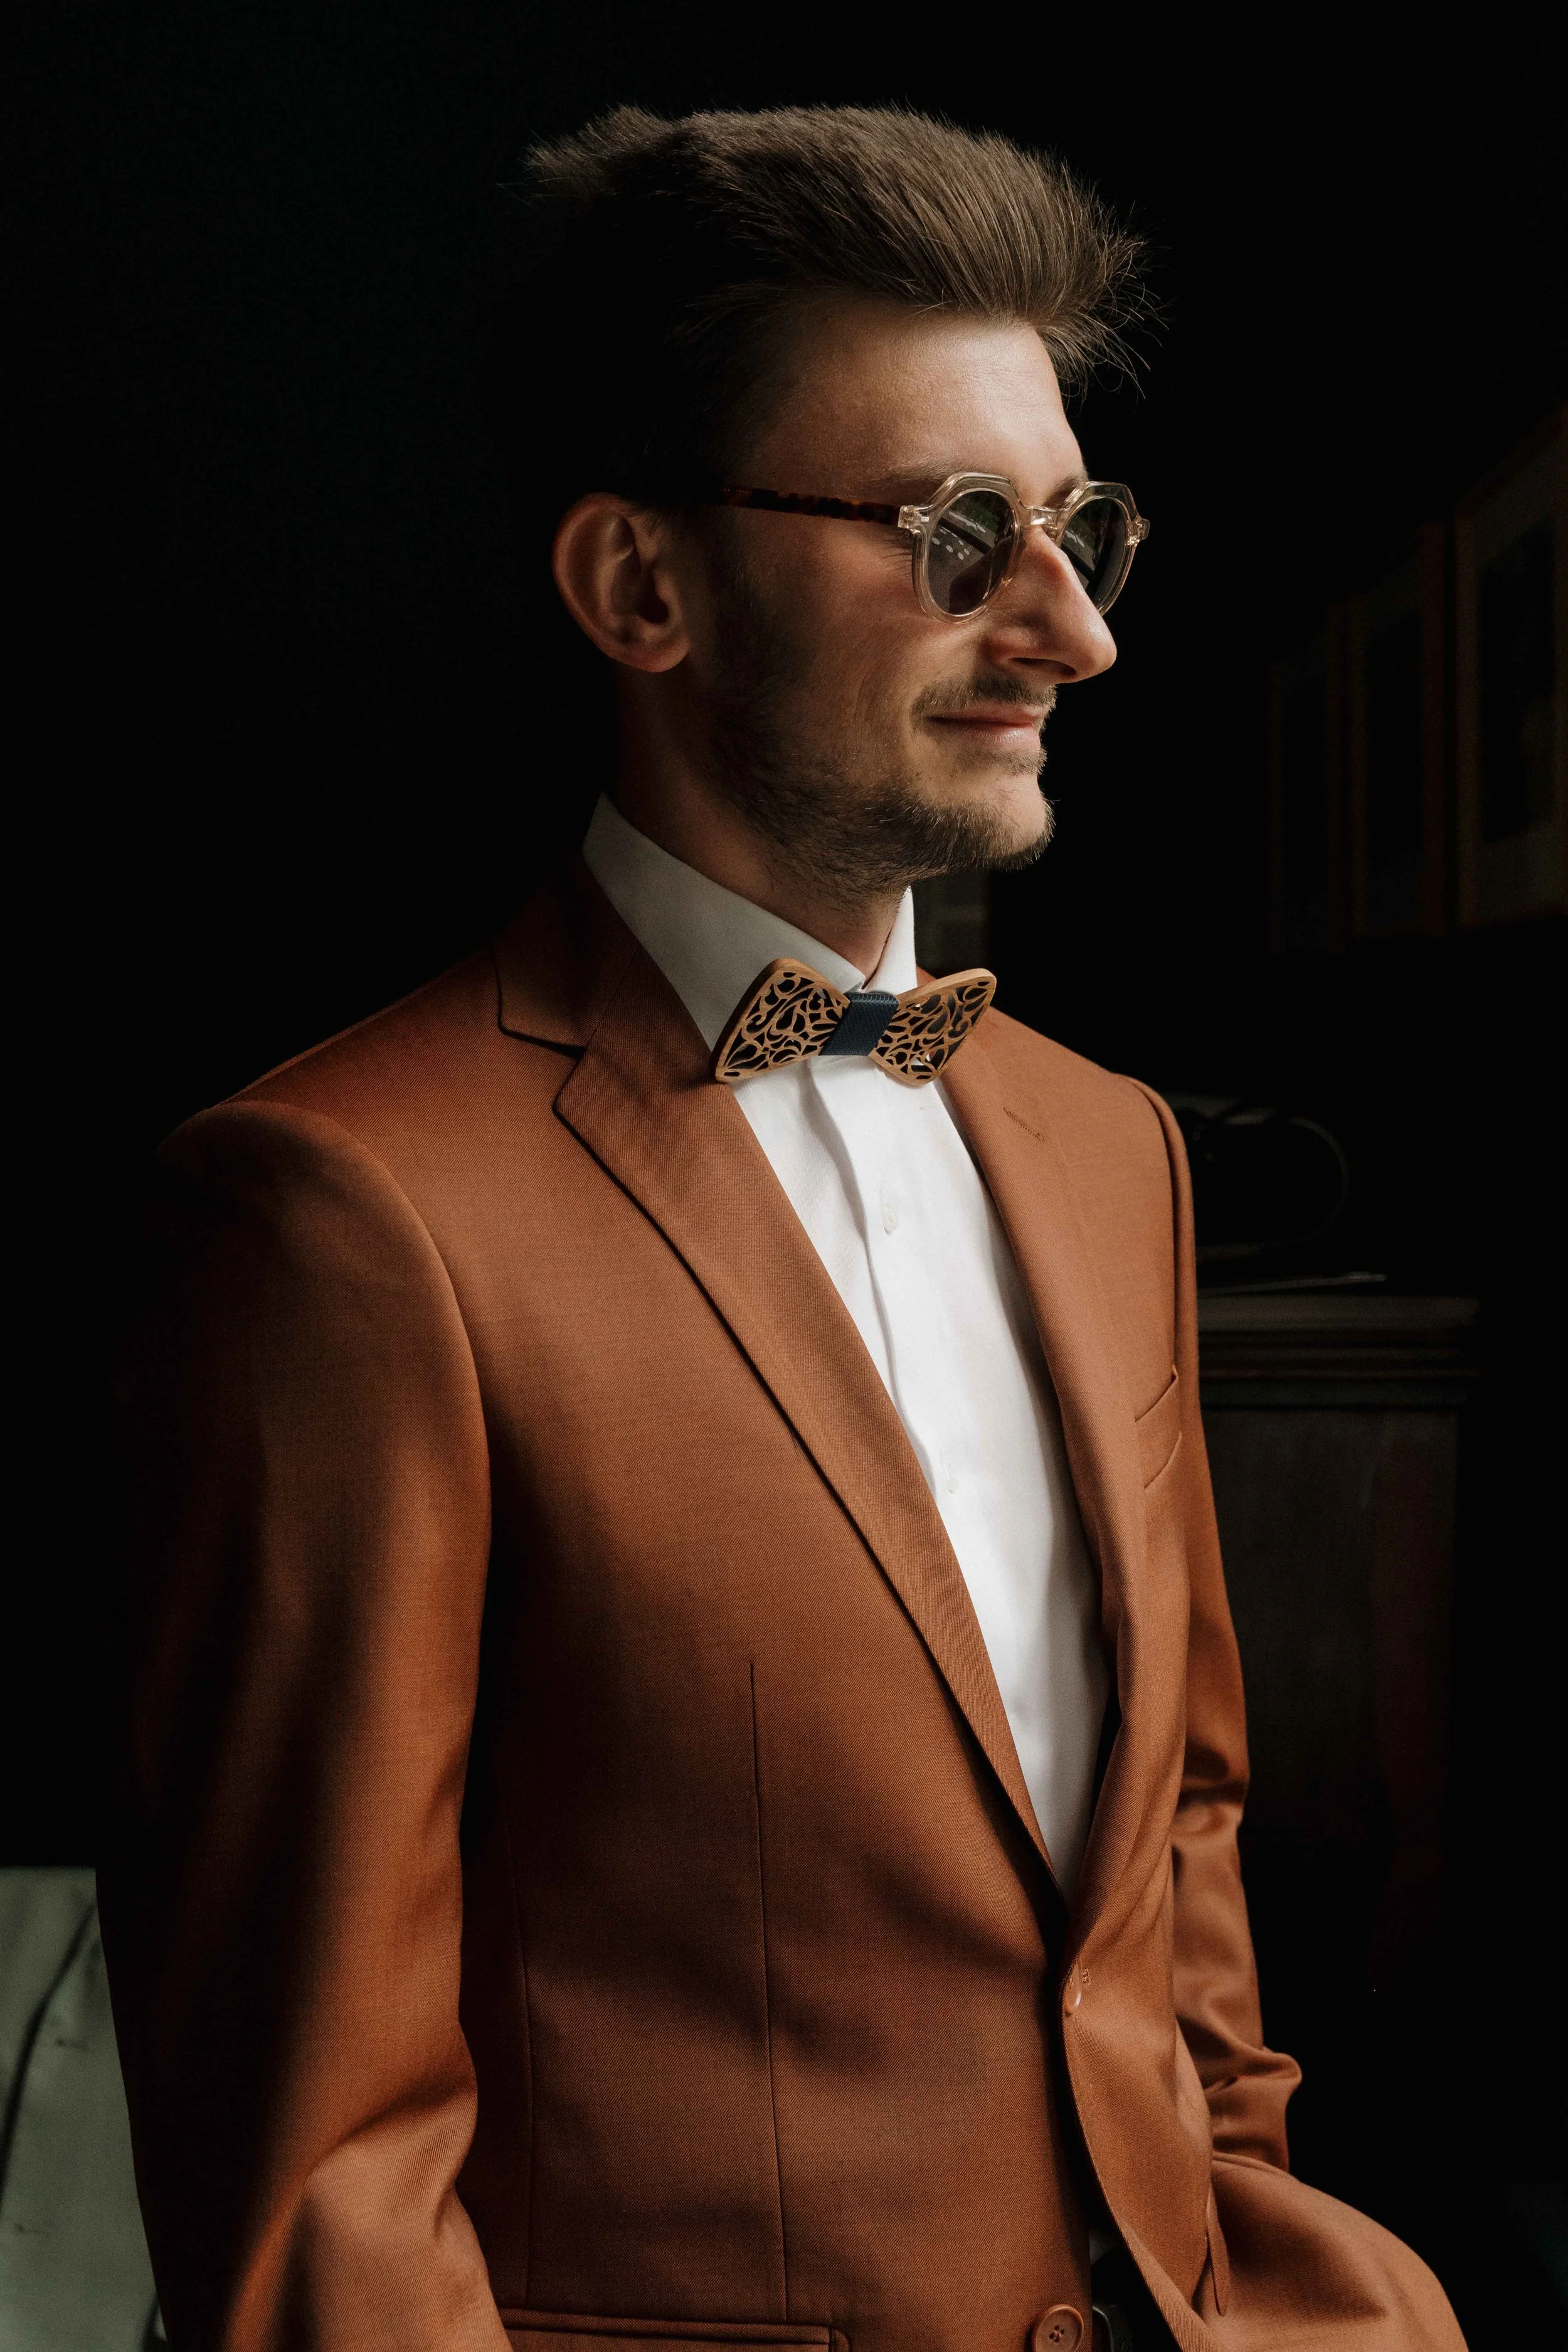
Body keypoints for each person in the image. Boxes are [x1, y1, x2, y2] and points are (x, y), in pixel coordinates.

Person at [101, 105, 1464, 2352]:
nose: (1073, 630)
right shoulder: (341, 1219)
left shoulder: (1111, 1145)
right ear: (641, 586)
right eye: (953, 532)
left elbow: (1174, 1835)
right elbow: (316, 2172)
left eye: (1074, 525)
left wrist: (1250, 2231)